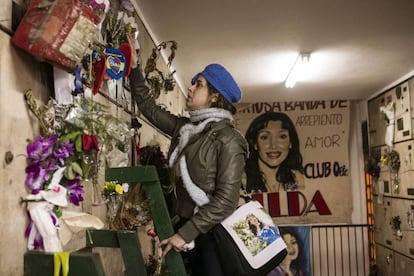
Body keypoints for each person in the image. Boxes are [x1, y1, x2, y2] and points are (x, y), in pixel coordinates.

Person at [129, 61, 248, 275]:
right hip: (183, 229)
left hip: (212, 235)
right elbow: (148, 107)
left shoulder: (229, 140)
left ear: (214, 96)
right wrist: (134, 66)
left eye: (199, 84)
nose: (191, 88)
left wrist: (186, 234)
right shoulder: (185, 129)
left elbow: (227, 201)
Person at [244, 112, 304, 193]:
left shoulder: (296, 178)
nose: (273, 146)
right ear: (255, 143)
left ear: (291, 143)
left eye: (282, 137)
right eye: (264, 137)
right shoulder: (241, 181)